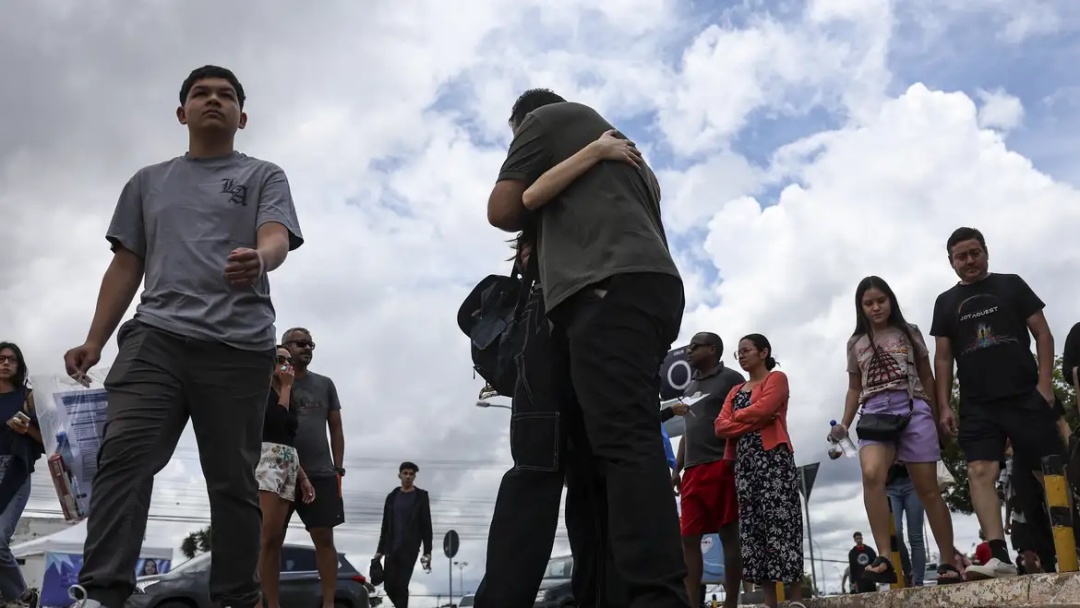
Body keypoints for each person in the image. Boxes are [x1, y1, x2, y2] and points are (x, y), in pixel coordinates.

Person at [62, 65, 303, 608]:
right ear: (182, 113)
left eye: (225, 96)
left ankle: (237, 598)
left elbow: (276, 235)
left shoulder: (264, 175)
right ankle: (101, 593)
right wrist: (95, 339)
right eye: (200, 94)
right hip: (156, 340)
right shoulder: (148, 181)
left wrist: (261, 259)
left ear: (243, 116)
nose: (212, 101)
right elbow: (127, 263)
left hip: (240, 348)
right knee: (124, 455)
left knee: (234, 481)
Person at [487, 88, 688, 608]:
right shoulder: (633, 162)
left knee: (621, 447)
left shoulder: (546, 120)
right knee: (598, 460)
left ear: (522, 123)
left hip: (604, 292)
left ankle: (656, 599)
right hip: (640, 293)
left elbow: (503, 208)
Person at [930, 227, 1063, 580]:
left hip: (1024, 395)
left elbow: (1043, 333)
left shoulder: (1012, 284)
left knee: (1045, 472)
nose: (969, 261)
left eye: (975, 252)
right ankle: (999, 556)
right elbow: (942, 359)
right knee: (979, 472)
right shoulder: (945, 303)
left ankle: (1068, 543)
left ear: (985, 253)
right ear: (951, 262)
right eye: (962, 256)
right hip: (977, 404)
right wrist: (943, 406)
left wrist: (1045, 385)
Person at [832, 276, 960, 585]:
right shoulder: (856, 343)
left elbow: (928, 376)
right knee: (872, 474)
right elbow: (853, 387)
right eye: (868, 303)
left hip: (912, 406)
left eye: (881, 300)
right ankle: (885, 556)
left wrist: (939, 411)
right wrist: (845, 423)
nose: (876, 307)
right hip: (874, 412)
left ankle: (948, 561)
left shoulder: (908, 332)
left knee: (928, 488)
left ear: (890, 301)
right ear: (860, 308)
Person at [715, 334, 804, 608]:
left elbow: (766, 408)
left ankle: (796, 598)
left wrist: (738, 418)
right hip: (745, 465)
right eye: (738, 352)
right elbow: (719, 426)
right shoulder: (735, 390)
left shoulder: (776, 379)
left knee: (784, 523)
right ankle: (770, 601)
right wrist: (754, 418)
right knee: (755, 529)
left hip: (774, 459)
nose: (741, 355)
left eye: (746, 350)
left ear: (763, 352)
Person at [670, 332, 745, 608]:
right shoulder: (689, 388)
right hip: (692, 471)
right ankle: (692, 603)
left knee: (728, 534)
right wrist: (677, 468)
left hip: (722, 464)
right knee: (688, 538)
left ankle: (731, 602)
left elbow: (746, 420)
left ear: (712, 349)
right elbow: (688, 431)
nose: (688, 351)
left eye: (694, 347)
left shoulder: (731, 379)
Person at [280, 327, 346, 607]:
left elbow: (336, 427)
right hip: (280, 472)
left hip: (320, 473)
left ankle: (329, 602)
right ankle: (268, 600)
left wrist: (338, 468)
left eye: (310, 344)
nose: (306, 348)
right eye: (300, 343)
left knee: (323, 536)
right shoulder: (275, 381)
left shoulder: (325, 384)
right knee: (270, 538)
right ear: (284, 348)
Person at [257, 345, 316, 608]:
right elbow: (275, 423)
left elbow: (289, 437)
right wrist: (286, 388)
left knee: (275, 542)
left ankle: (273, 602)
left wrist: (302, 476)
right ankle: (255, 599)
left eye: (288, 361)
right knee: (265, 536)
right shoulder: (261, 392)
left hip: (288, 464)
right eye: (281, 360)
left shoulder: (285, 395)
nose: (286, 365)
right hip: (267, 461)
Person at [0, 342, 43, 608]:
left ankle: (22, 597)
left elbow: (49, 441)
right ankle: (20, 597)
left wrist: (25, 428)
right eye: (0, 358)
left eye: (11, 360)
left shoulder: (28, 398)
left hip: (14, 471)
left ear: (18, 365)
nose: (5, 363)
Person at [375, 462, 433, 608]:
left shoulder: (421, 497)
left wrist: (428, 552)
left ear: (414, 477)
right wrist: (380, 551)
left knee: (401, 585)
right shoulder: (392, 497)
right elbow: (385, 526)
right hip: (391, 548)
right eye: (405, 473)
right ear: (399, 475)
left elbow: (426, 525)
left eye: (411, 474)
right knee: (389, 586)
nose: (408, 477)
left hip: (409, 549)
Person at [884, 464, 925, 586]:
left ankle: (918, 583)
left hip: (912, 482)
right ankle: (908, 573)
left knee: (916, 536)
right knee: (895, 533)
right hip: (889, 485)